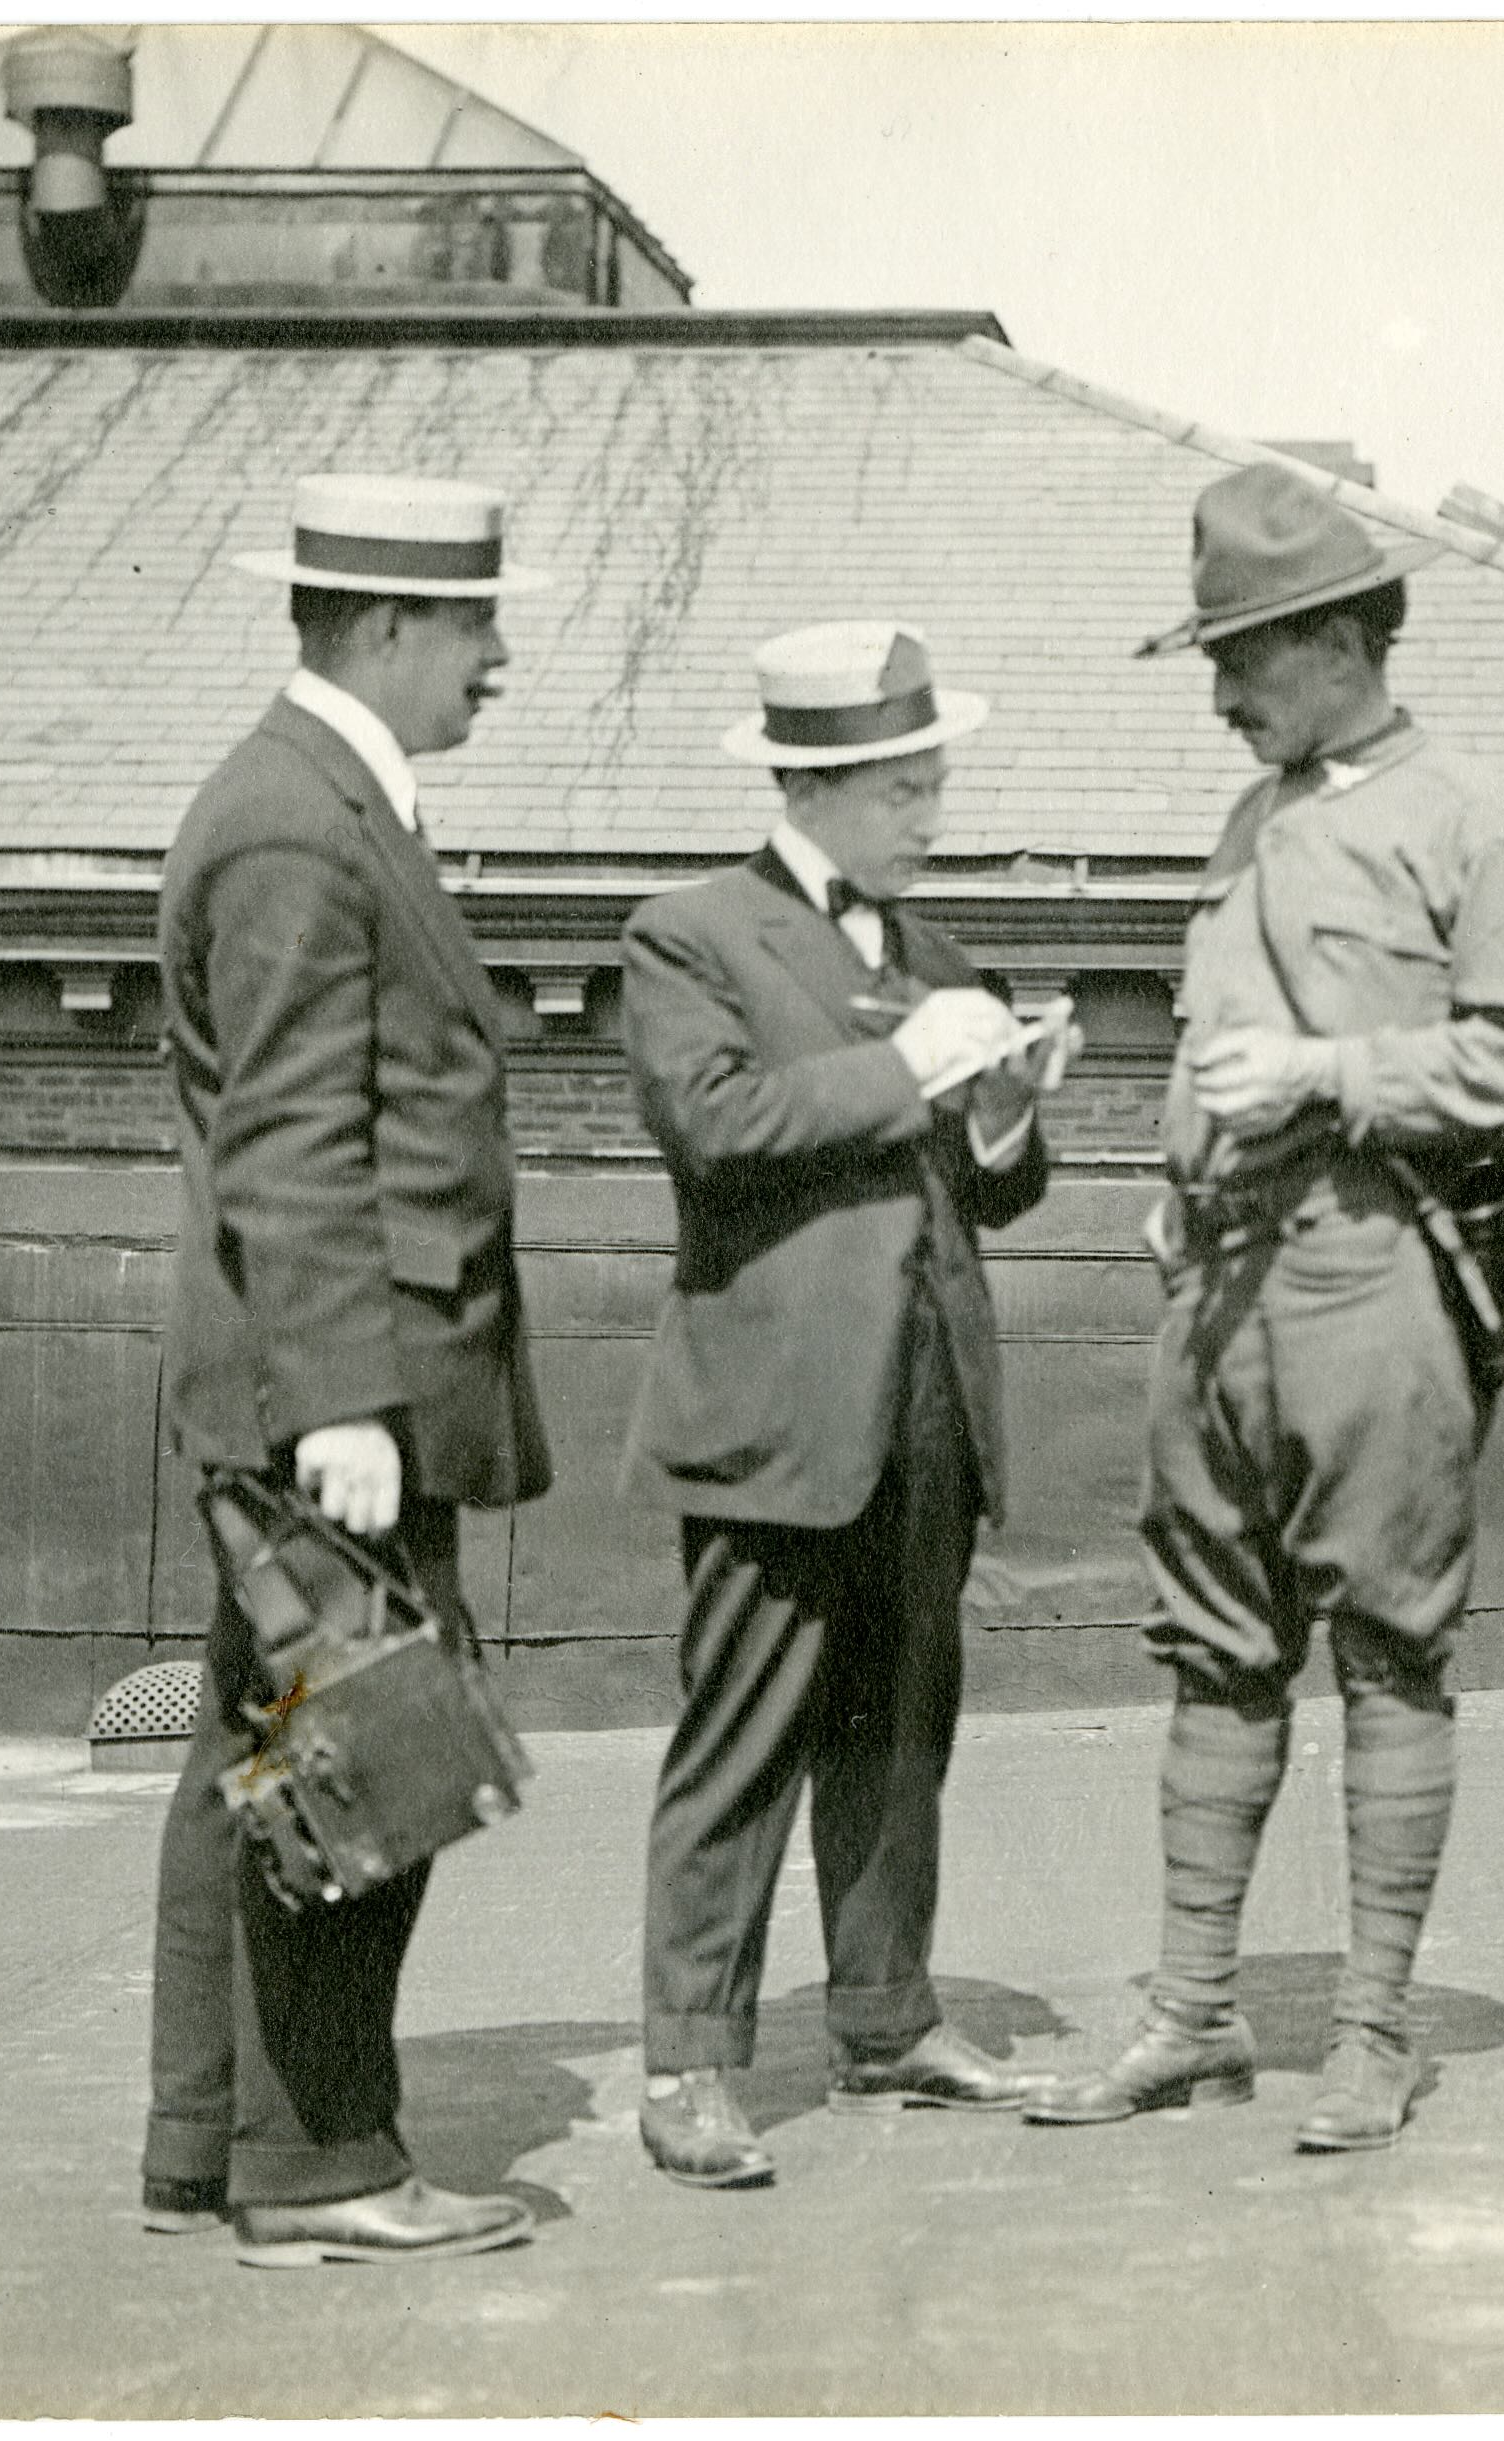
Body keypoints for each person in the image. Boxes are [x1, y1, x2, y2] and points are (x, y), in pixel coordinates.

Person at [1028, 461, 1504, 2153]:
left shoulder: (1472, 816)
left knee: (1389, 1643)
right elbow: (1227, 1038)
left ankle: (1371, 2029)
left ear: (1337, 641)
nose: (1217, 694)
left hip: (1371, 1265)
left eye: (1241, 661)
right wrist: (1180, 1163)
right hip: (1218, 1277)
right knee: (1212, 1644)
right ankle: (1192, 2014)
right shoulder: (1254, 815)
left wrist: (1331, 1071)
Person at [139, 472, 555, 2269]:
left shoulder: (310, 800)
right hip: (338, 1392)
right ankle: (316, 2170)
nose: (497, 659)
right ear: (381, 628)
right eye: (472, 627)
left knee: (257, 1758)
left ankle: (205, 2143)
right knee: (360, 1770)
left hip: (330, 1373)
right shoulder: (301, 827)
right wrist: (340, 1403)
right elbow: (298, 1134)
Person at [618, 621, 1079, 2190]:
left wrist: (1005, 1117)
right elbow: (716, 1122)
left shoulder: (937, 957)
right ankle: (686, 2063)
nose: (930, 811)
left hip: (927, 1404)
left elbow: (982, 1194)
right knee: (741, 1734)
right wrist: (909, 1075)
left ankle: (884, 2015)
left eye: (935, 779)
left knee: (898, 1731)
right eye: (903, 785)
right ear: (812, 783)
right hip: (775, 1413)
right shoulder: (689, 935)